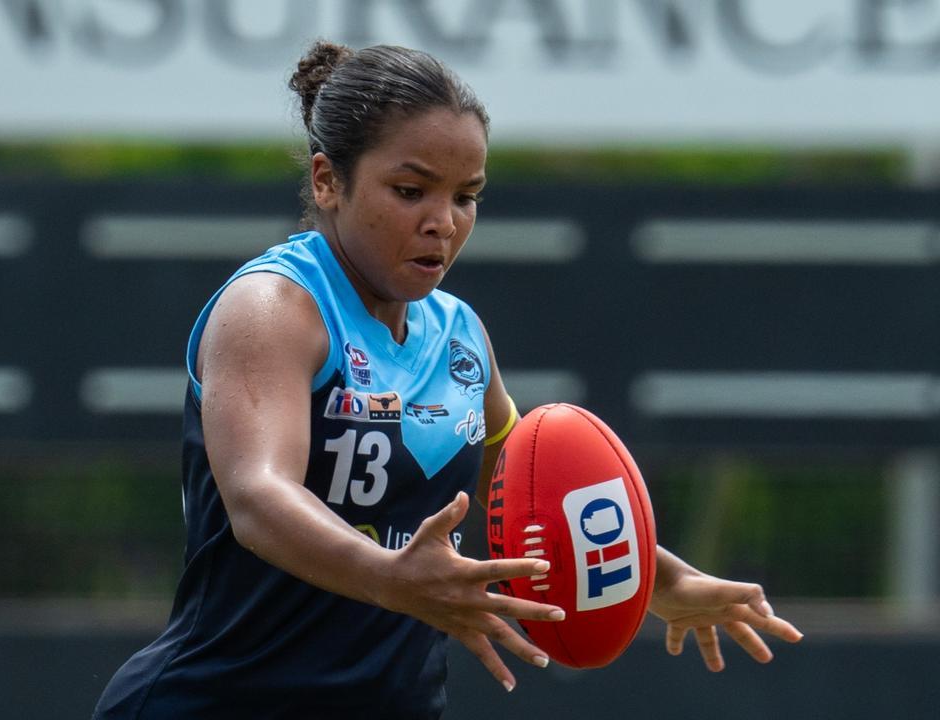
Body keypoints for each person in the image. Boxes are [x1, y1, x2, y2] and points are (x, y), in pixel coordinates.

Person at [94, 40, 802, 720]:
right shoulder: (276, 308)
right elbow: (256, 497)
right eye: (410, 190)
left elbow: (524, 500)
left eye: (467, 196)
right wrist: (388, 575)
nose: (443, 222)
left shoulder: (459, 334)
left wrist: (664, 581)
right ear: (326, 181)